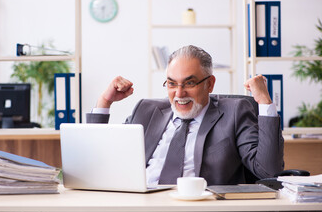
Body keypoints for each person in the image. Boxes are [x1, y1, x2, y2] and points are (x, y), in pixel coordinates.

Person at [87, 45, 284, 185]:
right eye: (172, 83)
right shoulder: (146, 110)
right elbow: (101, 161)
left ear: (210, 84)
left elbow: (268, 171)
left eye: (189, 83)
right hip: (142, 208)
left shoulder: (235, 112)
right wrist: (105, 102)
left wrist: (265, 103)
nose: (179, 94)